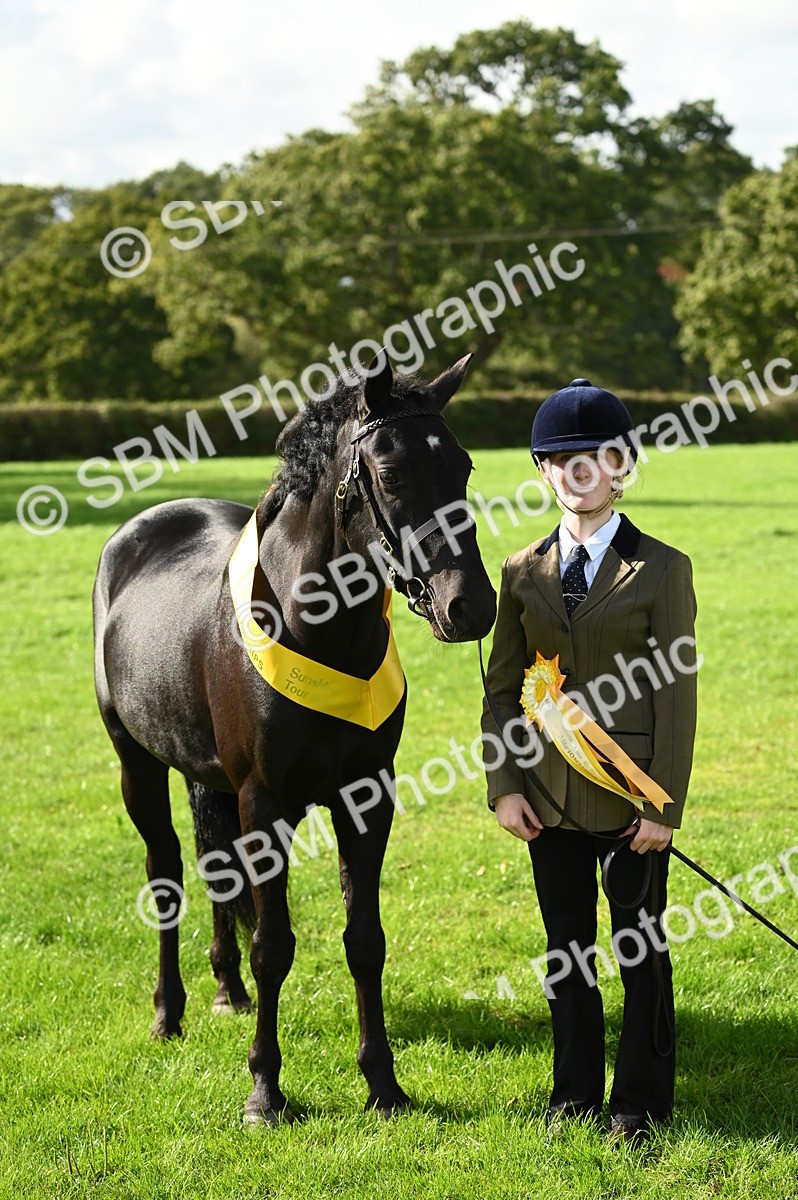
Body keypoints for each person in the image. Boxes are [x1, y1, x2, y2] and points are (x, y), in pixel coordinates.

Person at [481, 378, 698, 1145]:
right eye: (562, 458)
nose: (579, 472)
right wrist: (504, 787)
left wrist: (660, 808)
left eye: (597, 458)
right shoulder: (519, 571)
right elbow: (503, 689)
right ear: (543, 470)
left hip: (630, 800)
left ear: (621, 465)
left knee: (639, 948)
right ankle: (572, 1092)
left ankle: (638, 1101)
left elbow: (677, 695)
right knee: (565, 949)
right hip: (546, 801)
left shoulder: (663, 570)